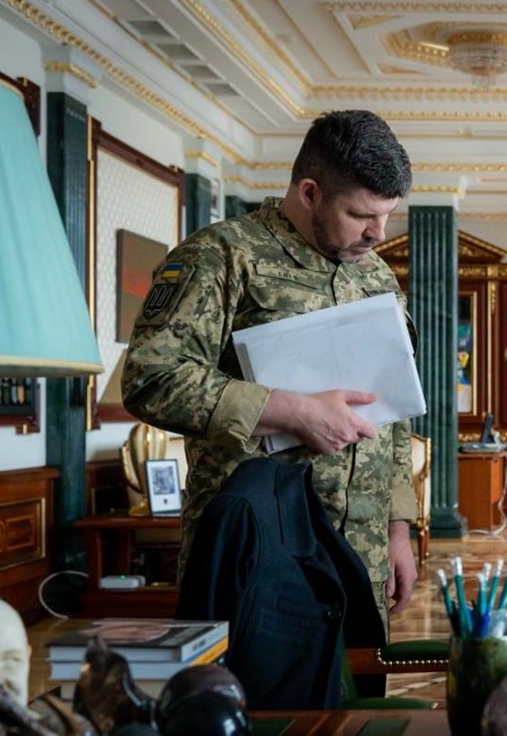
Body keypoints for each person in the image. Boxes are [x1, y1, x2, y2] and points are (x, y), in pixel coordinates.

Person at [122, 110, 418, 634]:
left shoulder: (376, 275)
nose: (379, 233)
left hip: (362, 552)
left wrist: (399, 528)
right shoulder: (219, 256)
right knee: (258, 687)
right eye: (361, 215)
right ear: (310, 193)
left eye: (387, 215)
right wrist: (292, 411)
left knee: (357, 687)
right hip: (257, 550)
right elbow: (151, 377)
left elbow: (391, 408)